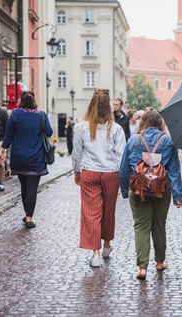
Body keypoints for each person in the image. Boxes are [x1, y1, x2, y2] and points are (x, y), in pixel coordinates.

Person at [120, 109, 182, 280]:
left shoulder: (133, 140)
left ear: (144, 122)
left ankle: (142, 267)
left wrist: (125, 190)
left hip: (139, 189)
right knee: (159, 224)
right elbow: (174, 170)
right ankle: (160, 261)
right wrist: (178, 196)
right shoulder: (168, 141)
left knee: (141, 226)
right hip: (162, 189)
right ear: (160, 124)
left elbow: (124, 167)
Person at [72, 88, 126, 268]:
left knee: (91, 212)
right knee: (109, 210)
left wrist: (77, 171)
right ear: (109, 107)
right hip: (111, 173)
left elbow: (77, 153)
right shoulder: (116, 129)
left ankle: (95, 253)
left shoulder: (81, 127)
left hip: (89, 172)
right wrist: (122, 177)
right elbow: (121, 156)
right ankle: (107, 244)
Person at [0, 91, 53, 229]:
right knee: (32, 187)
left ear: (21, 100)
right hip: (36, 158)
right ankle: (29, 218)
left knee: (24, 187)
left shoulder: (15, 114)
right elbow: (50, 132)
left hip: (19, 157)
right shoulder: (41, 115)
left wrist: (1, 151)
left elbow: (8, 136)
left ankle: (27, 213)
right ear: (34, 100)